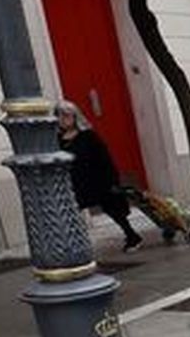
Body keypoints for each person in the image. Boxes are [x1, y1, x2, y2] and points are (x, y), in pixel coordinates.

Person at [56, 100, 143, 253]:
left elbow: (104, 158)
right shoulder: (57, 140)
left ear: (75, 117)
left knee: (112, 209)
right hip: (75, 182)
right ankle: (77, 244)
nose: (63, 119)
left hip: (97, 180)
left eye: (67, 116)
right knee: (71, 212)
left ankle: (132, 235)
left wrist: (112, 180)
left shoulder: (88, 136)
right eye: (60, 116)